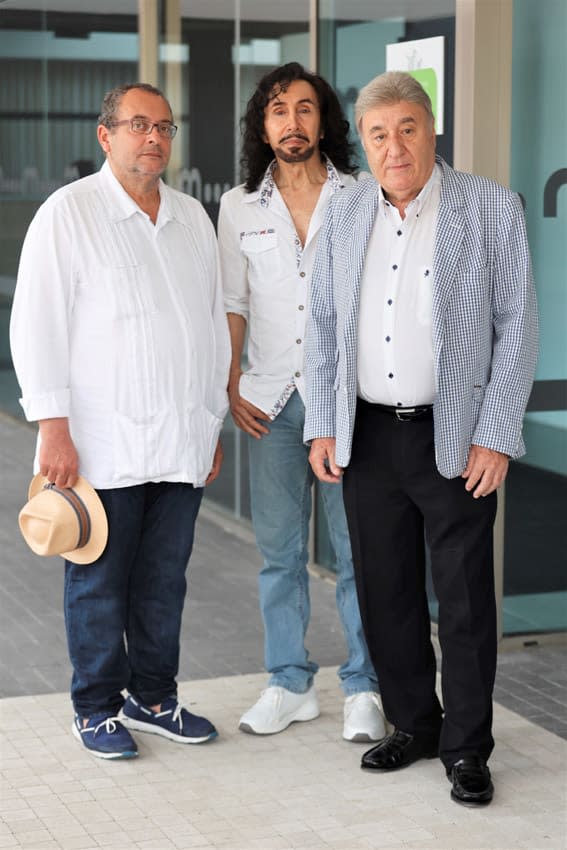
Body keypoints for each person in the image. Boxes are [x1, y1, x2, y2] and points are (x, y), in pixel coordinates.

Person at [304, 71, 537, 805]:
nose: (393, 146)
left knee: (464, 600)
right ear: (363, 143)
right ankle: (414, 724)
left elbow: (518, 330)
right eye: (377, 133)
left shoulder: (489, 207)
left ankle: (467, 747)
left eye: (406, 128)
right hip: (367, 437)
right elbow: (322, 327)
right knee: (385, 592)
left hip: (456, 436)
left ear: (430, 131)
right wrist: (320, 423)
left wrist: (495, 435)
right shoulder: (339, 212)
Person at [10, 82, 231, 760]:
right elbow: (37, 324)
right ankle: (96, 706)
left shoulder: (193, 217)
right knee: (100, 581)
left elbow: (211, 327)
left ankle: (154, 698)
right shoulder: (68, 214)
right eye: (138, 125)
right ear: (106, 136)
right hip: (101, 443)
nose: (153, 138)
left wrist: (211, 419)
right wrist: (52, 425)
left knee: (165, 581)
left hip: (181, 440)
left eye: (163, 126)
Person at [218, 62, 383, 742]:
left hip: (345, 403)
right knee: (279, 554)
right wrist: (228, 383)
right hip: (269, 401)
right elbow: (232, 302)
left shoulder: (363, 196)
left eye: (305, 108)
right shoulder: (237, 206)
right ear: (263, 125)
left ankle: (364, 685)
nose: (292, 121)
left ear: (324, 121)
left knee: (359, 552)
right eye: (279, 110)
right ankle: (289, 682)